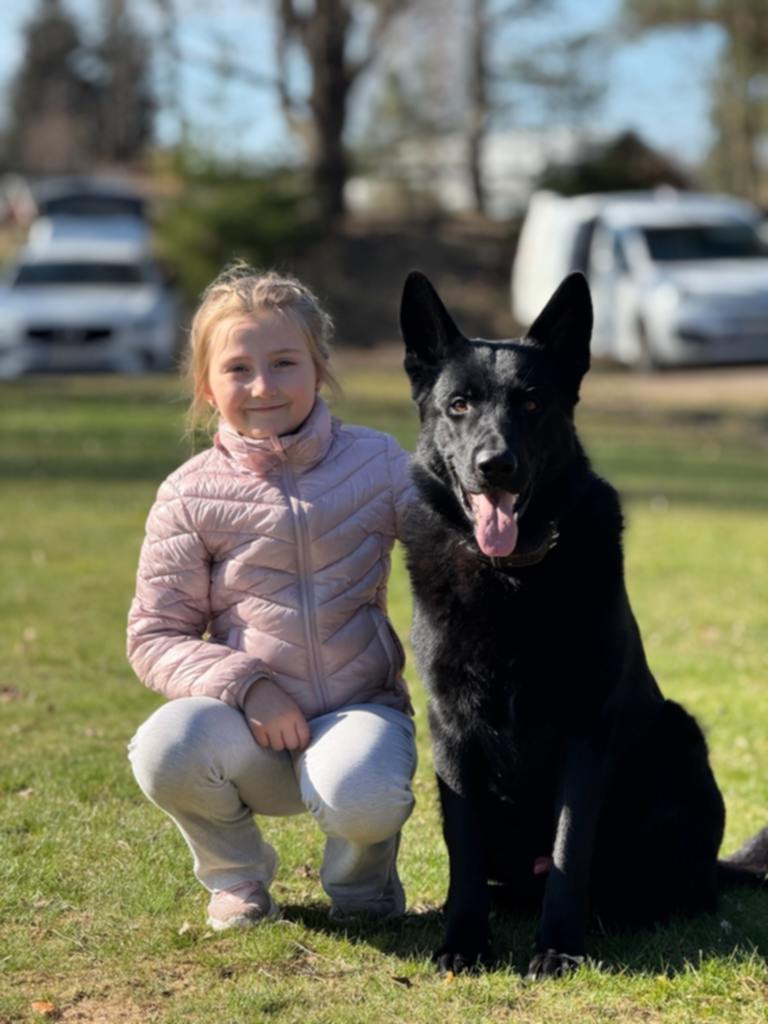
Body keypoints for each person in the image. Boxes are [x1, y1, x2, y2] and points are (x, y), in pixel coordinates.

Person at [127, 264, 416, 931]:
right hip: (249, 731)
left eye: (284, 362)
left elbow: (454, 551)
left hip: (360, 716)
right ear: (206, 386)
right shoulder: (187, 493)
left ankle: (363, 884)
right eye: (237, 369)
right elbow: (153, 633)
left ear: (320, 369)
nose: (262, 386)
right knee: (163, 746)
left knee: (362, 796)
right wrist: (247, 685)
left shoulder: (380, 463)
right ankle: (237, 878)